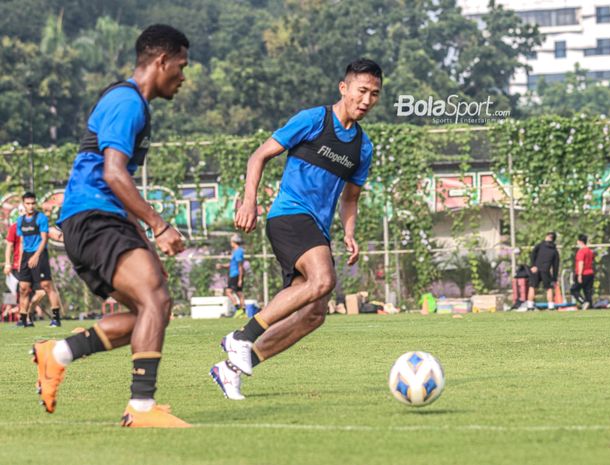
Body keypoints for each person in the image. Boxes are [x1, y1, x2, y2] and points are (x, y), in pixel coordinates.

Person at [31, 24, 190, 428]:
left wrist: (141, 237)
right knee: (155, 298)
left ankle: (59, 354)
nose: (183, 77)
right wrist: (159, 225)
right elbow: (115, 174)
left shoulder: (131, 102)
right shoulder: (127, 102)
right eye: (181, 66)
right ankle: (141, 408)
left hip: (96, 222)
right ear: (161, 61)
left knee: (153, 311)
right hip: (94, 218)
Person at [210, 58, 382, 400]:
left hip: (317, 229)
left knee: (314, 313)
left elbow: (350, 199)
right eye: (361, 91)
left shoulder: (363, 147)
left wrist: (349, 232)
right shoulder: (313, 120)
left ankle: (231, 369)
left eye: (374, 94)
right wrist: (248, 201)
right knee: (323, 281)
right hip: (289, 216)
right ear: (344, 88)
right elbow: (258, 156)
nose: (366, 100)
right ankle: (241, 337)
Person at [16, 192, 62, 327]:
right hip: (26, 255)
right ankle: (23, 320)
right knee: (23, 288)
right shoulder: (20, 220)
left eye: (33, 203)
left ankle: (56, 318)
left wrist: (36, 256)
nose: (30, 206)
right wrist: (20, 262)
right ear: (23, 204)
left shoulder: (41, 218)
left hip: (40, 254)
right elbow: (22, 242)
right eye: (28, 204)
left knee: (46, 286)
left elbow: (44, 239)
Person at [525, 232, 560, 310]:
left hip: (537, 269)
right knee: (549, 288)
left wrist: (533, 265)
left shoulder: (540, 245)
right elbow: (555, 266)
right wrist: (554, 278)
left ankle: (530, 305)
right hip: (545, 270)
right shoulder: (554, 250)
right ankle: (551, 306)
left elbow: (532, 254)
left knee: (532, 286)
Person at [217, 233, 245, 315]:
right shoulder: (235, 252)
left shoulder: (238, 252)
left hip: (235, 275)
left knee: (228, 292)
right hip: (233, 274)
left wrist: (240, 279)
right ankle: (243, 311)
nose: (230, 243)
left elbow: (240, 266)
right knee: (239, 293)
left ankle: (238, 309)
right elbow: (232, 264)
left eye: (231, 241)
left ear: (234, 242)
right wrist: (222, 266)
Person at [570, 234, 595, 310]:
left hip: (583, 273)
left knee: (574, 290)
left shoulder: (581, 252)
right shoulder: (590, 251)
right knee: (587, 291)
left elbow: (581, 263)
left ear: (579, 241)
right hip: (590, 273)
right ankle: (589, 305)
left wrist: (580, 275)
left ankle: (583, 302)